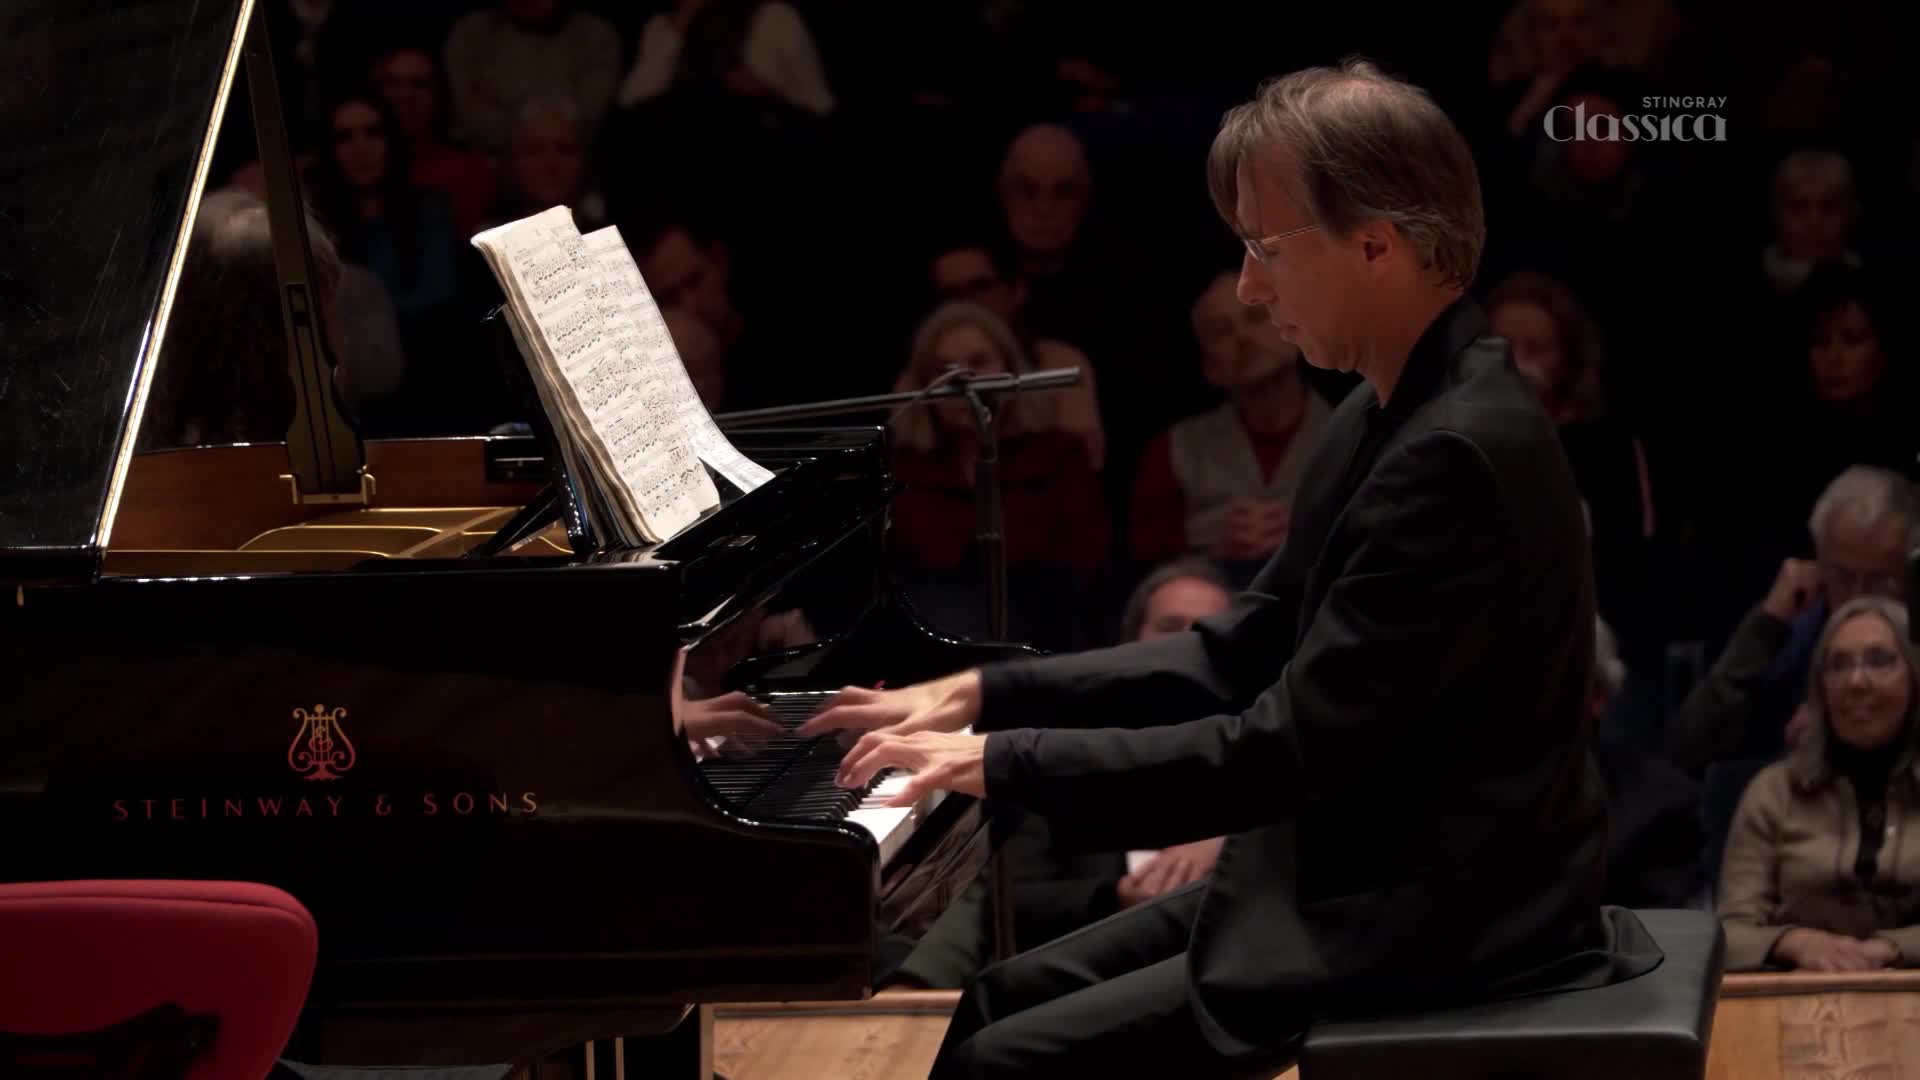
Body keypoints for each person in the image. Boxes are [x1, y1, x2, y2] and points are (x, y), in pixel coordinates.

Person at [800, 58, 1660, 1077]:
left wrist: (998, 763)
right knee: (997, 997)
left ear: (1376, 245)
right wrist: (979, 693)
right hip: (1358, 875)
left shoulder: (1456, 454)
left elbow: (1282, 751)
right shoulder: (1384, 414)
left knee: (1009, 1059)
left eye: (1265, 249)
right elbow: (1234, 650)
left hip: (1443, 918)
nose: (1250, 288)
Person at [1717, 597, 1920, 971]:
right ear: (1819, 687)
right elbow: (1728, 934)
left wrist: (1893, 947)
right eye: (1838, 665)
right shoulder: (1775, 791)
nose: (1857, 682)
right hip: (1798, 997)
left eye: (1879, 660)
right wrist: (1794, 942)